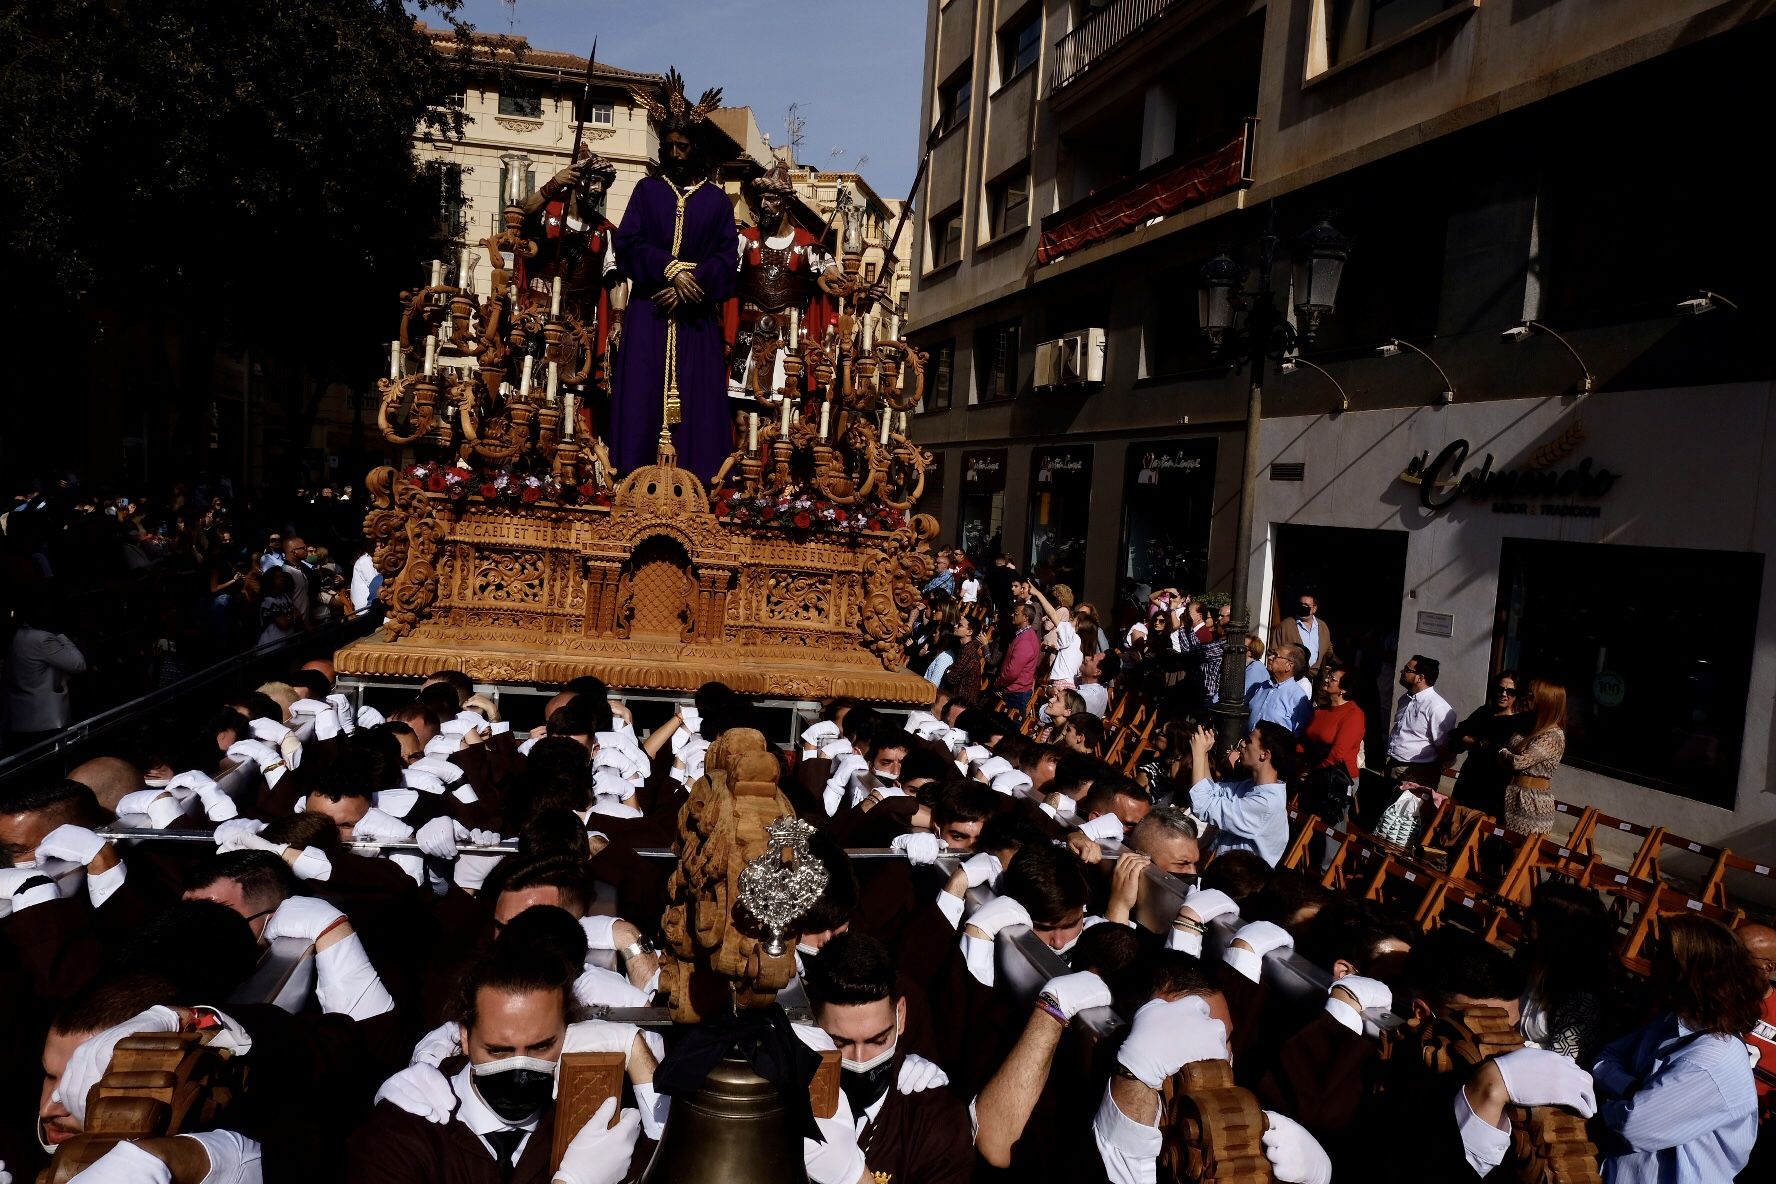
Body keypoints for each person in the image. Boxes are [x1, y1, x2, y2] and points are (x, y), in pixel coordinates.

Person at [611, 69, 739, 481]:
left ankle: (699, 484)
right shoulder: (646, 193)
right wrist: (667, 271)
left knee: (699, 401)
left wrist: (692, 286)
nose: (677, 154)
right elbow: (627, 243)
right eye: (669, 147)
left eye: (683, 146)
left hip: (695, 320)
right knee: (641, 398)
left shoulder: (717, 202)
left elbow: (726, 259)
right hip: (649, 312)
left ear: (695, 147)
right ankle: (632, 480)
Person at [1591, 914, 1760, 1181]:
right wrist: (1634, 1091)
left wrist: (1604, 1109)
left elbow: (1634, 1126)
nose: (1651, 961)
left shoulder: (1712, 1059)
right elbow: (1604, 1058)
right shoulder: (1671, 1021)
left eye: (1662, 954)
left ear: (1690, 972)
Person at [802, 933, 972, 1183]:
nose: (860, 1061)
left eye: (877, 1040)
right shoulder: (787, 1095)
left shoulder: (936, 1122)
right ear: (814, 1024)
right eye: (840, 1043)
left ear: (900, 1016)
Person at [1187, 721, 1292, 865]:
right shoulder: (1251, 786)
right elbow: (1212, 793)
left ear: (1264, 754)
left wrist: (1197, 754)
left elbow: (1201, 805)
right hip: (1226, 875)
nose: (1241, 744)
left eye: (1249, 741)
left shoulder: (1266, 804)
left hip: (1240, 884)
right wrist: (1204, 753)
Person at [3, 597, 88, 751]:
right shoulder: (44, 639)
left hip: (21, 716)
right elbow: (78, 664)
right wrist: (61, 635)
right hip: (47, 719)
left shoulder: (17, 637)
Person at [1298, 661, 1364, 827]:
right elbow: (1306, 740)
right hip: (1313, 774)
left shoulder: (1354, 715)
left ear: (1344, 689)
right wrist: (1298, 762)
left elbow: (1338, 754)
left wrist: (1312, 771)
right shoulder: (1321, 711)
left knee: (1330, 830)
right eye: (1328, 677)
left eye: (1332, 679)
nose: (1326, 680)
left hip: (1337, 779)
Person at [1450, 670, 1523, 818]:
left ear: (1517, 695)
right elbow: (1456, 734)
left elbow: (1496, 748)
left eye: (1510, 691)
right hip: (1468, 779)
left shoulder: (1518, 722)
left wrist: (1474, 741)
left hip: (1493, 785)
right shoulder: (1484, 712)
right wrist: (1479, 743)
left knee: (1477, 829)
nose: (1503, 694)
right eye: (1500, 689)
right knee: (1453, 821)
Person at [1500, 678, 1567, 836]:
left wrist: (1499, 750)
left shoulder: (1553, 735)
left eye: (1531, 696)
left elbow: (1520, 762)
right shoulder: (1526, 726)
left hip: (1531, 803)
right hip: (1509, 794)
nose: (1525, 698)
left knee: (1519, 853)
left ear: (1546, 701)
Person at [1384, 655, 1455, 787]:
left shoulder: (1437, 707)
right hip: (1393, 764)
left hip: (1417, 773)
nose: (1402, 671)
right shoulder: (1405, 699)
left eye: (1407, 669)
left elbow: (1444, 747)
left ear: (1420, 678)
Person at [1247, 645, 1312, 735]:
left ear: (1289, 666)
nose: (1270, 658)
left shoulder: (1298, 698)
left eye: (1276, 656)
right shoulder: (1262, 687)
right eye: (1271, 654)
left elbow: (1299, 734)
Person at [1273, 593, 1334, 680]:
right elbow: (1274, 650)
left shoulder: (1322, 626)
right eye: (1301, 604)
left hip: (1316, 678)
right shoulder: (1285, 625)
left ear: (1314, 609)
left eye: (1306, 605)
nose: (1303, 607)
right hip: (1292, 677)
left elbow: (1328, 648)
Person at [994, 603, 1040, 713]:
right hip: (1016, 691)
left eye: (1016, 613)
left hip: (1016, 694)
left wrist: (999, 682)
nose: (1012, 615)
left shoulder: (1025, 640)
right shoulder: (1025, 635)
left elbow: (1013, 672)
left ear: (1025, 618)